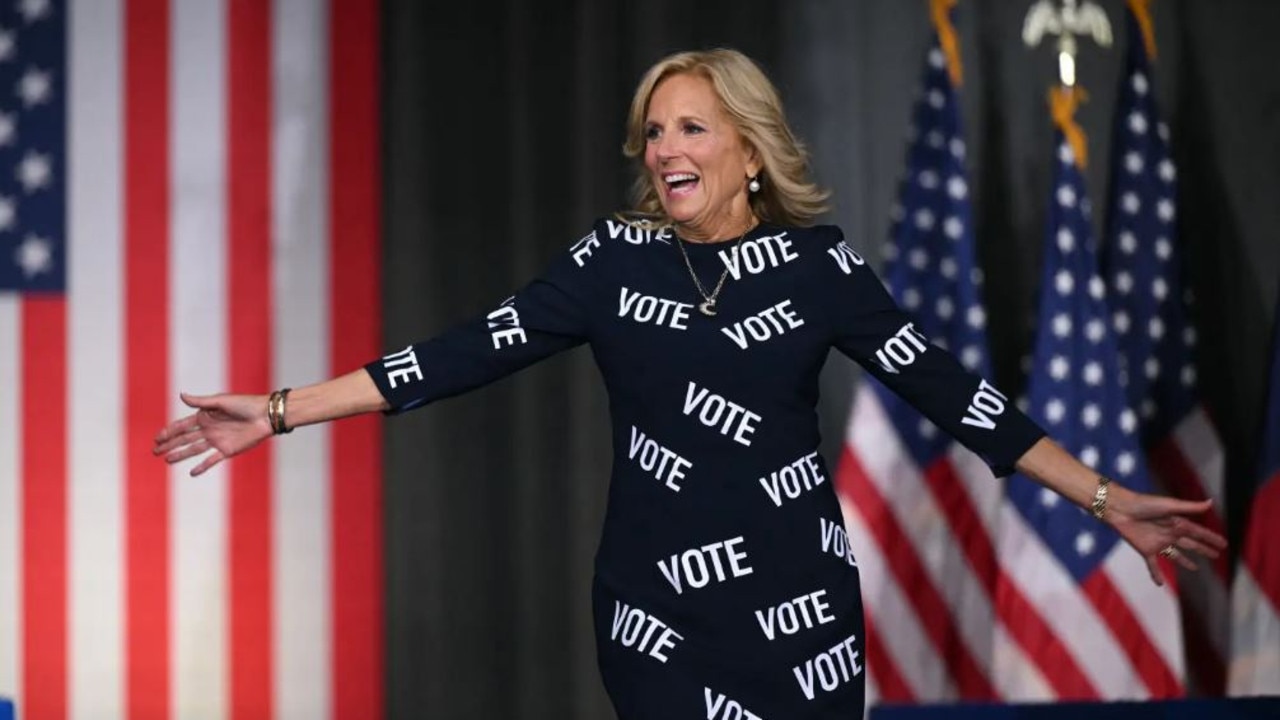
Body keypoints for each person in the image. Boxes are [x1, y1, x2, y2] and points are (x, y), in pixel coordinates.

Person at [153, 48, 1226, 718]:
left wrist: (1101, 496)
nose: (664, 145)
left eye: (689, 127)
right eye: (654, 129)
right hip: (654, 620)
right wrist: (283, 409)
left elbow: (960, 401)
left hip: (801, 621)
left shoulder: (820, 271)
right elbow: (456, 355)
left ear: (748, 151)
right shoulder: (608, 263)